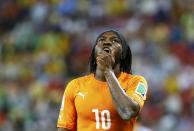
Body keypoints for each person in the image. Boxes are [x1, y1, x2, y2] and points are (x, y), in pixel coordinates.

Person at [57, 30, 148, 131]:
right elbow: (64, 129)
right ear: (95, 52)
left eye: (115, 41)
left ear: (123, 53)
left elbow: (127, 112)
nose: (107, 42)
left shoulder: (135, 82)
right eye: (101, 40)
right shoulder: (75, 86)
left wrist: (108, 71)